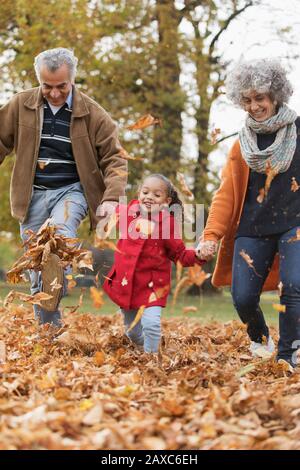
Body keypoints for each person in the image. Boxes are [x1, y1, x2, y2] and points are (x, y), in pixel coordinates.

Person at [0, 47, 127, 326]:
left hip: (71, 192)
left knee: (56, 236)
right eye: (47, 86)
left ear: (72, 80)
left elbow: (115, 158)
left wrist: (111, 197)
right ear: (39, 80)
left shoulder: (92, 113)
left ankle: (58, 272)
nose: (55, 93)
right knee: (37, 267)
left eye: (61, 86)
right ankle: (50, 336)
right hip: (31, 196)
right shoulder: (21, 105)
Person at [197, 58, 300, 368]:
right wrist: (211, 234)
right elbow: (226, 194)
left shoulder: (298, 132)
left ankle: (288, 357)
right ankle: (260, 338)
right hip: (252, 228)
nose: (254, 106)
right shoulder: (241, 146)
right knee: (242, 297)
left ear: (276, 96)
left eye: (261, 98)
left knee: (295, 288)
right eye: (248, 100)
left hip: (294, 225)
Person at [103, 174, 205, 353]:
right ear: (139, 193)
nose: (149, 197)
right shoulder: (127, 212)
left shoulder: (168, 224)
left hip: (153, 287)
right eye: (145, 192)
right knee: (132, 332)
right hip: (128, 284)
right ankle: (143, 346)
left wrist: (198, 254)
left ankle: (151, 359)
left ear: (167, 201)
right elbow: (108, 211)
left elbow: (179, 254)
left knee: (150, 325)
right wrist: (104, 206)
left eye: (156, 195)